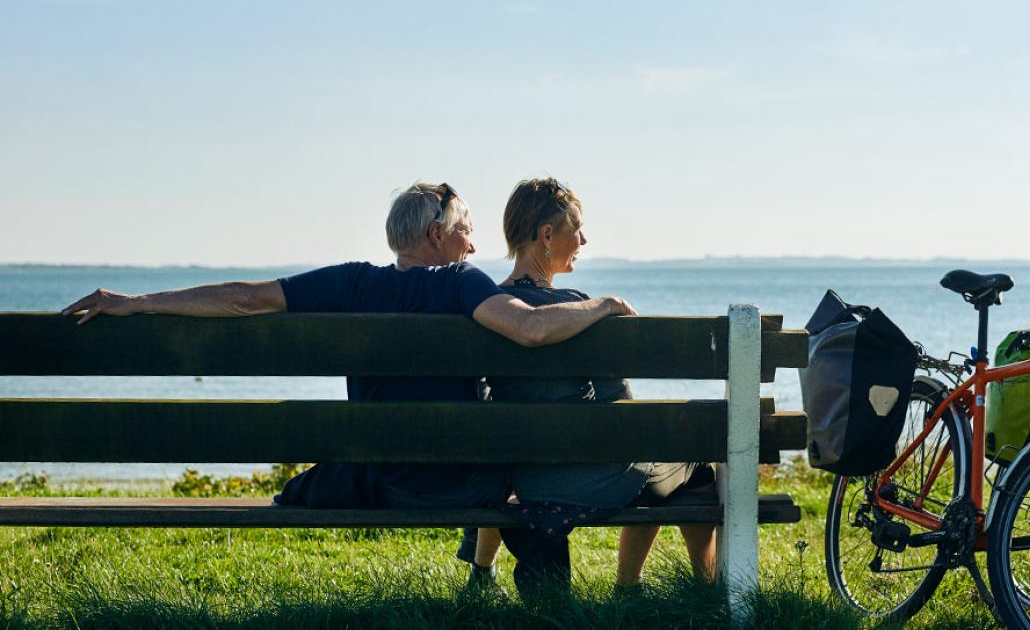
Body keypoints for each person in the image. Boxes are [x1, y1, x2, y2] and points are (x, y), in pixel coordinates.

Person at [60, 180, 636, 518]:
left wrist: (135, 302)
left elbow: (242, 298)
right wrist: (604, 305)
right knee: (523, 489)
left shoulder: (351, 282)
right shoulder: (461, 283)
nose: (473, 243)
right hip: (454, 486)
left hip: (378, 479)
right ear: (436, 236)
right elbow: (529, 329)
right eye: (465, 231)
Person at [455, 177, 716, 598]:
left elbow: (481, 403)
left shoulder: (486, 311)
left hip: (517, 479)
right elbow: (623, 410)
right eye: (576, 228)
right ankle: (654, 590)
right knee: (698, 469)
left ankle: (480, 577)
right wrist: (608, 305)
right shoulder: (585, 310)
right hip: (594, 482)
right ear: (546, 236)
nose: (584, 238)